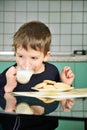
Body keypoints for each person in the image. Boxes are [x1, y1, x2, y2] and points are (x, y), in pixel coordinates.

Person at [0, 21, 74, 130]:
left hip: (44, 125)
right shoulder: (10, 74)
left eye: (33, 58)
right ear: (15, 52)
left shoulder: (52, 71)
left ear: (45, 56)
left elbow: (55, 99)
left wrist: (65, 84)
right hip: (17, 126)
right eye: (20, 56)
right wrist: (8, 87)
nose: (26, 63)